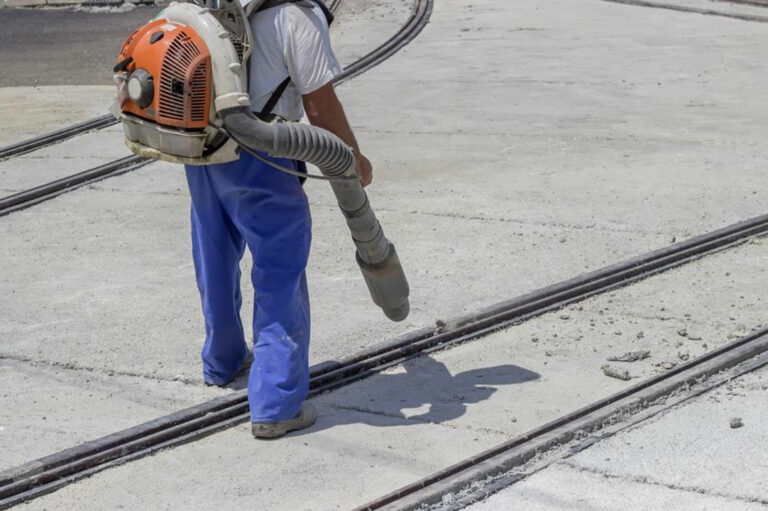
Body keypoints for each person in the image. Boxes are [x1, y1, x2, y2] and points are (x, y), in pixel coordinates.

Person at [183, 0, 372, 439]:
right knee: (279, 270)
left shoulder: (218, 5)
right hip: (264, 153)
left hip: (203, 148)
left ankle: (223, 361)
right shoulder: (296, 16)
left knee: (214, 254)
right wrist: (353, 160)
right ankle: (276, 403)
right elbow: (320, 106)